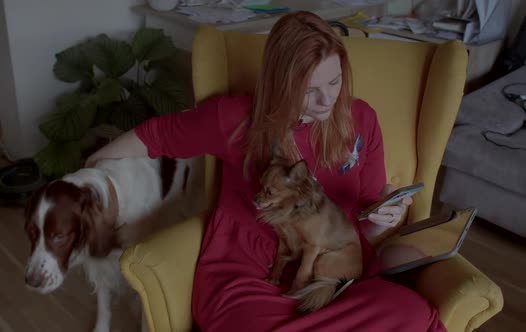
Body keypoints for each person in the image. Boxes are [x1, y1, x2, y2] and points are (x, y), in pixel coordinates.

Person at [86, 11, 446, 332]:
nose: (327, 100)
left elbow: (362, 218)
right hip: (248, 274)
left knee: (413, 313)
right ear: (282, 84)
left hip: (334, 273)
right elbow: (155, 136)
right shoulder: (236, 119)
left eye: (334, 82)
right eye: (310, 90)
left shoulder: (362, 119)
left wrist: (384, 217)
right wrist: (91, 170)